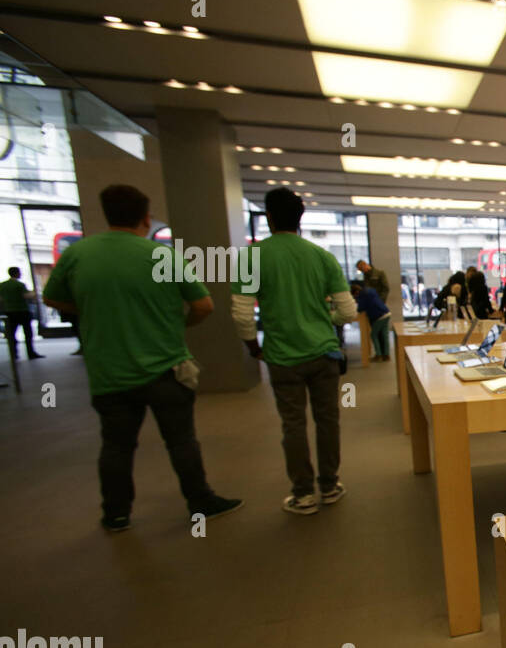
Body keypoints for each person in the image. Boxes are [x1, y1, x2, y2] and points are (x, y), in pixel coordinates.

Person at [41, 184, 241, 532]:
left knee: (117, 445)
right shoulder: (162, 255)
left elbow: (53, 299)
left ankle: (116, 513)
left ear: (106, 213)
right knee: (180, 439)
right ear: (146, 218)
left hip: (109, 371)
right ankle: (200, 501)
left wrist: (91, 311)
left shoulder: (79, 254)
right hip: (166, 365)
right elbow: (203, 305)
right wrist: (178, 323)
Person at [233, 187, 356, 515]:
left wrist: (253, 348)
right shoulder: (322, 257)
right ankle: (329, 484)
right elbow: (347, 312)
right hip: (324, 353)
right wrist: (323, 318)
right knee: (328, 420)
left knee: (293, 424)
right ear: (301, 218)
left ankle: (303, 493)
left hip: (282, 356)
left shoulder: (251, 257)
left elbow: (242, 314)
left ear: (269, 217)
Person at [2, 266, 44, 360]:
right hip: (22, 311)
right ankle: (30, 353)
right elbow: (26, 296)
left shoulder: (3, 285)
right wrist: (34, 293)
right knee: (28, 334)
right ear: (17, 273)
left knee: (12, 334)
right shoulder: (19, 285)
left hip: (9, 311)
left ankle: (14, 354)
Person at [351, 281, 392, 361]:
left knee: (373, 335)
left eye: (355, 295)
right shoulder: (370, 290)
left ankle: (379, 355)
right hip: (386, 312)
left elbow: (360, 309)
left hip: (379, 316)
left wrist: (357, 301)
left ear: (356, 292)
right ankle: (386, 355)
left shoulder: (362, 295)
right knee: (384, 335)